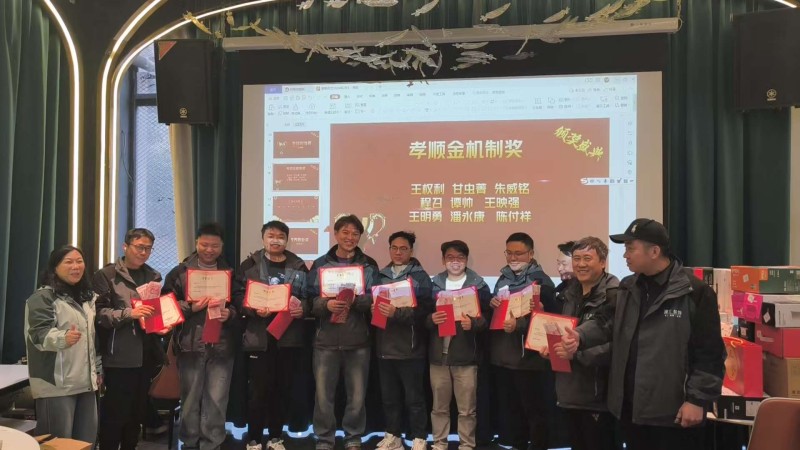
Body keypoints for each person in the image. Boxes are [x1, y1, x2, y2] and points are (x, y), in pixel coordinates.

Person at [557, 219, 725, 450]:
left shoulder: (694, 292)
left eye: (630, 248)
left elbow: (710, 354)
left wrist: (697, 400)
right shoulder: (628, 287)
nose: (625, 255)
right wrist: (579, 336)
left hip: (672, 411)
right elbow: (606, 322)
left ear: (654, 251)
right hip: (630, 408)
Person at [305, 215, 380, 450]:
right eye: (345, 232)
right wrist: (325, 305)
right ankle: (324, 438)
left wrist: (356, 300)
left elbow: (375, 299)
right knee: (323, 397)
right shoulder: (320, 264)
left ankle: (353, 436)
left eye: (355, 234)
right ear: (336, 234)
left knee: (357, 396)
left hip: (357, 341)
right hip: (325, 341)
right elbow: (309, 300)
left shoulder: (369, 265)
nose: (350, 237)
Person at [161, 222, 237, 450]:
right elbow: (166, 306)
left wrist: (230, 314)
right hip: (190, 345)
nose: (209, 250)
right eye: (204, 244)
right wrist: (191, 308)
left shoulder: (230, 273)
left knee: (217, 399)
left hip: (222, 346)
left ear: (222, 246)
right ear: (196, 243)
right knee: (190, 398)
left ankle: (212, 443)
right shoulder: (180, 272)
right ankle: (189, 442)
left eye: (215, 246)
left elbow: (240, 304)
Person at [234, 221, 309, 450]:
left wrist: (303, 309)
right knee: (257, 392)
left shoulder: (298, 265)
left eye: (280, 236)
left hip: (288, 338)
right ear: (263, 238)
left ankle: (276, 438)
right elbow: (237, 296)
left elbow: (308, 296)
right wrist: (252, 309)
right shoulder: (249, 265)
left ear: (287, 240)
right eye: (271, 236)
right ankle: (254, 439)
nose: (275, 240)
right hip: (259, 338)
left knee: (282, 390)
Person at [541, 237, 618, 450]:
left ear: (602, 262)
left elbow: (618, 345)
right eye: (576, 258)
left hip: (599, 396)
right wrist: (552, 349)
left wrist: (576, 354)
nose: (581, 264)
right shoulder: (569, 292)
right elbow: (565, 332)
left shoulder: (614, 294)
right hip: (569, 391)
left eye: (587, 258)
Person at [93, 228, 164, 450]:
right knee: (115, 415)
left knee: (136, 415)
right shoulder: (106, 275)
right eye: (139, 247)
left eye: (148, 248)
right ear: (125, 247)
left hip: (146, 355)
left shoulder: (153, 276)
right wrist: (129, 314)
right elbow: (99, 314)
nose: (144, 252)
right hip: (118, 356)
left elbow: (156, 311)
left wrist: (162, 325)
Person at [25, 245, 102, 444]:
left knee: (85, 442)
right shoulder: (43, 298)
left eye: (79, 261)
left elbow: (92, 339)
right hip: (56, 385)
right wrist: (62, 338)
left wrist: (97, 370)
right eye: (68, 262)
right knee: (57, 443)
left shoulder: (87, 298)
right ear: (55, 267)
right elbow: (38, 334)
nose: (76, 266)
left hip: (86, 383)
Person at [488, 232, 557, 450]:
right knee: (512, 410)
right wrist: (493, 303)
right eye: (509, 253)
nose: (513, 257)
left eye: (518, 253)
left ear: (531, 253)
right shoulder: (503, 278)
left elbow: (547, 320)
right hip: (503, 357)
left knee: (534, 411)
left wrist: (518, 325)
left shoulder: (542, 281)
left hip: (529, 360)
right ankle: (517, 445)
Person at [427, 240, 491, 450]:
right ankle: (439, 443)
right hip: (439, 357)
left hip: (466, 358)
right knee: (439, 408)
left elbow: (488, 320)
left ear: (466, 259)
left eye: (460, 258)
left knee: (467, 410)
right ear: (443, 260)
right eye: (450, 257)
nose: (455, 262)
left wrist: (473, 323)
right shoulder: (434, 284)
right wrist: (431, 319)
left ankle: (466, 445)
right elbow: (423, 318)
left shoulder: (479, 285)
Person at [373, 231, 433, 450]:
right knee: (389, 398)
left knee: (414, 399)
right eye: (394, 248)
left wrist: (396, 313)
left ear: (411, 251)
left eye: (403, 248)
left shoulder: (420, 277)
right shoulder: (380, 275)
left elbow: (424, 311)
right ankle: (393, 436)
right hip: (384, 347)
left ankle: (419, 438)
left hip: (411, 349)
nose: (398, 252)